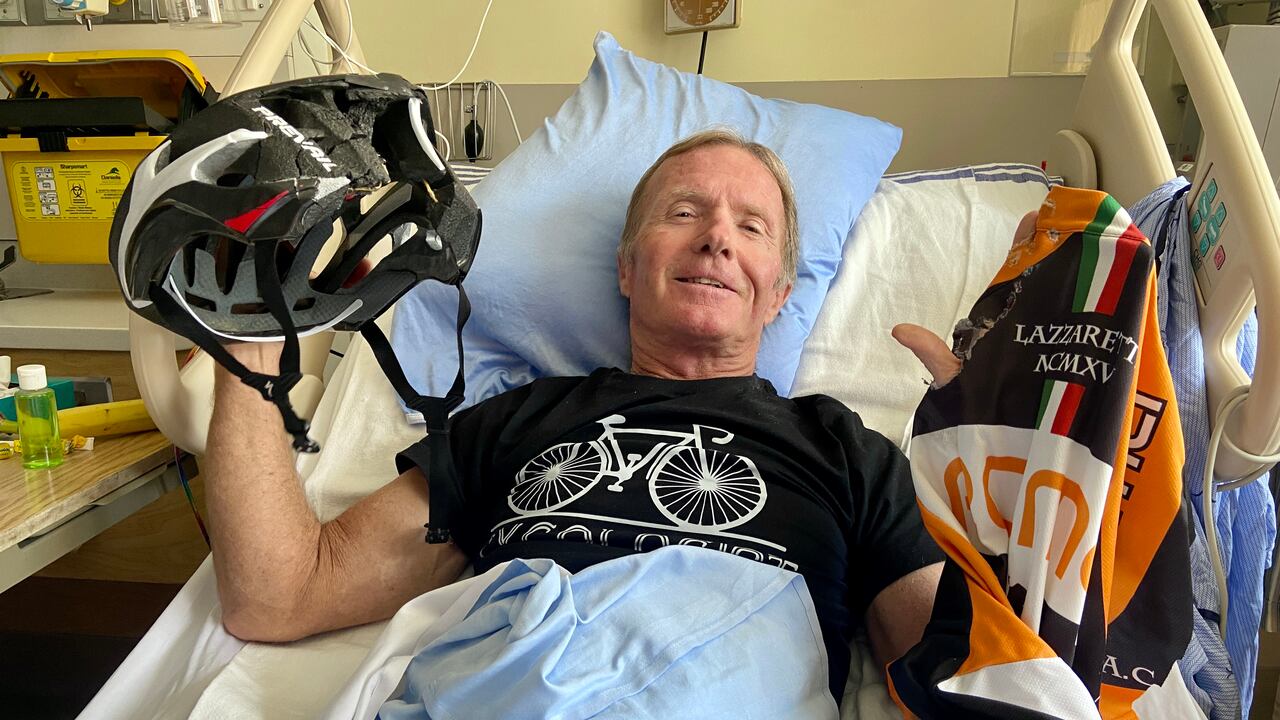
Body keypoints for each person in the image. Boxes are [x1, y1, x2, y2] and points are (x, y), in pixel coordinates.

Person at [204, 129, 946, 704]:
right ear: (627, 269)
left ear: (779, 293)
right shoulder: (519, 419)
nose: (717, 236)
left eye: (752, 229)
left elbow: (960, 673)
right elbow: (282, 595)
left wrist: (992, 437)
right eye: (684, 212)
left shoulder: (845, 448)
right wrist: (250, 340)